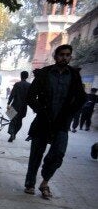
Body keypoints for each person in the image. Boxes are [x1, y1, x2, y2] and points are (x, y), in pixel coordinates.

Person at [24, 44, 87, 199]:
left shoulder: (74, 75)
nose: (64, 57)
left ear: (70, 57)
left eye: (67, 55)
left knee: (58, 154)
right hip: (43, 121)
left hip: (61, 123)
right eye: (61, 54)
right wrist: (40, 110)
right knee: (36, 154)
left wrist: (70, 114)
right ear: (55, 56)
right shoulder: (44, 74)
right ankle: (30, 183)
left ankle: (45, 182)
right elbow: (30, 96)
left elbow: (81, 98)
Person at [7, 71, 31, 142]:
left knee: (12, 120)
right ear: (27, 77)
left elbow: (12, 94)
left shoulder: (17, 84)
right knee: (19, 121)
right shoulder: (29, 85)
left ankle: (12, 133)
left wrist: (8, 103)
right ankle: (14, 133)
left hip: (15, 105)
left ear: (21, 76)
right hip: (23, 107)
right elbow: (31, 97)